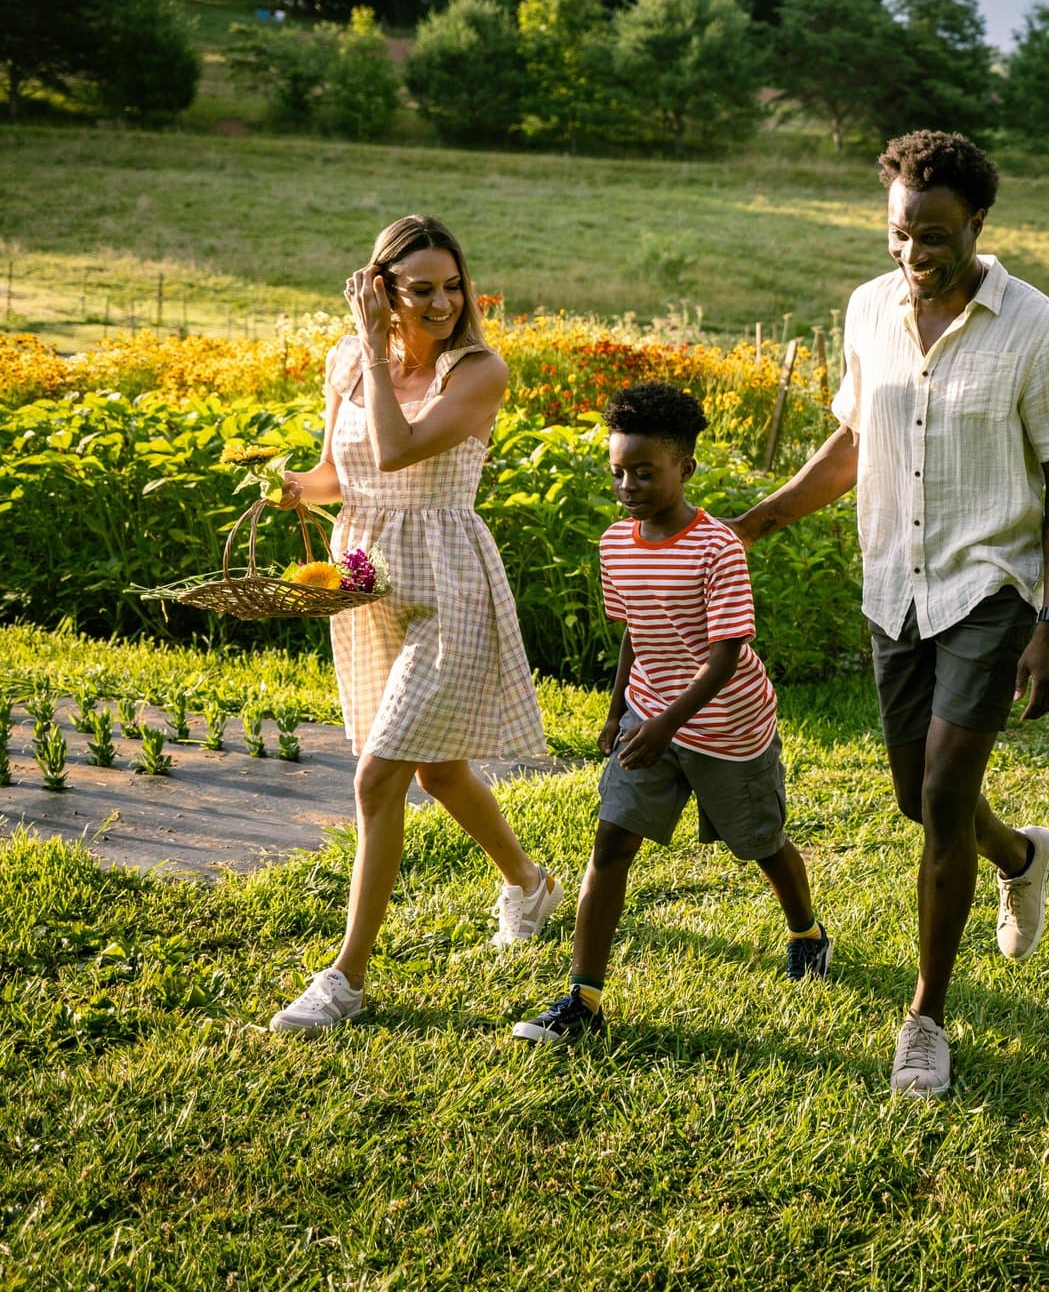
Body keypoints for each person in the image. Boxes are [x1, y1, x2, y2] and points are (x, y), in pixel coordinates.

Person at [732, 130, 1049, 1098]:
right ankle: (1021, 852)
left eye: (933, 235)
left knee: (938, 801)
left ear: (978, 223)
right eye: (899, 232)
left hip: (992, 584)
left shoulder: (1038, 327)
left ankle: (926, 1015)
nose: (913, 253)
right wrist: (758, 519)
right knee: (914, 793)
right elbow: (853, 435)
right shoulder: (868, 309)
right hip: (896, 579)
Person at [268, 216, 561, 1033]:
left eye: (452, 284)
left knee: (377, 775)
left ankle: (345, 980)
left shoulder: (479, 371)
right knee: (435, 768)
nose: (443, 301)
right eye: (421, 287)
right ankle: (530, 882)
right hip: (366, 577)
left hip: (447, 582)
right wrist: (292, 486)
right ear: (384, 288)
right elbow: (343, 475)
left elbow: (397, 455)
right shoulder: (345, 365)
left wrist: (369, 340)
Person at [512, 383, 827, 1044]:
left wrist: (663, 725)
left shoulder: (718, 547)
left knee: (761, 844)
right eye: (618, 471)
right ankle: (583, 1001)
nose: (628, 484)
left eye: (644, 471)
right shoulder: (615, 544)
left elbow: (725, 653)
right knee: (611, 844)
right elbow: (636, 630)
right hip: (648, 719)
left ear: (685, 467)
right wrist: (620, 708)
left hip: (728, 730)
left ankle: (807, 931)